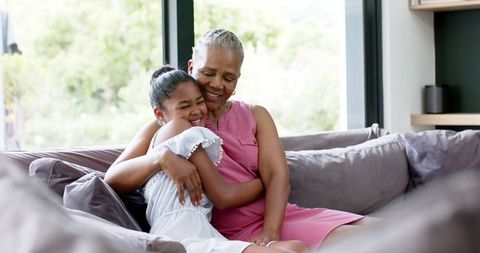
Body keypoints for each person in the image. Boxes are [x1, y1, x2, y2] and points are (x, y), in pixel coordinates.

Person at [105, 29, 375, 249]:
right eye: (208, 73)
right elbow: (114, 177)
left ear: (237, 80)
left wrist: (271, 230)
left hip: (274, 218)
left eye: (228, 77)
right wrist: (161, 158)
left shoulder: (255, 114)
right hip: (223, 230)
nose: (217, 84)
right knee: (356, 243)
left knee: (381, 232)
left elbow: (278, 177)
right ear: (191, 66)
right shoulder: (173, 121)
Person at [137, 65, 308, 253]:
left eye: (199, 102)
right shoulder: (180, 129)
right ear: (160, 114)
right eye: (185, 106)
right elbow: (224, 196)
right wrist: (268, 180)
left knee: (297, 247)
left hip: (200, 231)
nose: (196, 111)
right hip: (180, 236)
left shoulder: (169, 140)